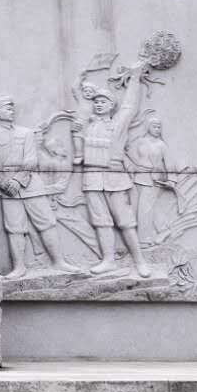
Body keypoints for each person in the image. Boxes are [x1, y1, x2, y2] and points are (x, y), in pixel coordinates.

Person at [0, 95, 81, 279]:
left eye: (12, 108)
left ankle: (59, 261)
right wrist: (0, 182)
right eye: (7, 108)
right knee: (15, 228)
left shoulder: (26, 133)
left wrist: (18, 180)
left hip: (30, 184)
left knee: (47, 223)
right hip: (6, 188)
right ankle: (19, 267)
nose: (11, 111)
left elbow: (31, 160)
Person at [73, 67, 152, 277]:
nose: (98, 104)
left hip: (114, 178)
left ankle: (140, 261)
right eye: (96, 102)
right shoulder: (87, 125)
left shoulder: (117, 124)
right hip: (91, 178)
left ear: (111, 106)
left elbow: (129, 106)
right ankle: (108, 261)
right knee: (101, 222)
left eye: (103, 101)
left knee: (125, 222)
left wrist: (134, 78)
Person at [127, 117, 175, 245]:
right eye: (154, 126)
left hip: (155, 180)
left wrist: (172, 179)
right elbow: (129, 151)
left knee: (145, 208)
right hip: (139, 178)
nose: (157, 129)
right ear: (148, 127)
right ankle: (164, 229)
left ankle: (144, 239)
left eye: (159, 127)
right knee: (147, 207)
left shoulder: (161, 145)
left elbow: (169, 162)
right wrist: (135, 166)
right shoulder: (140, 141)